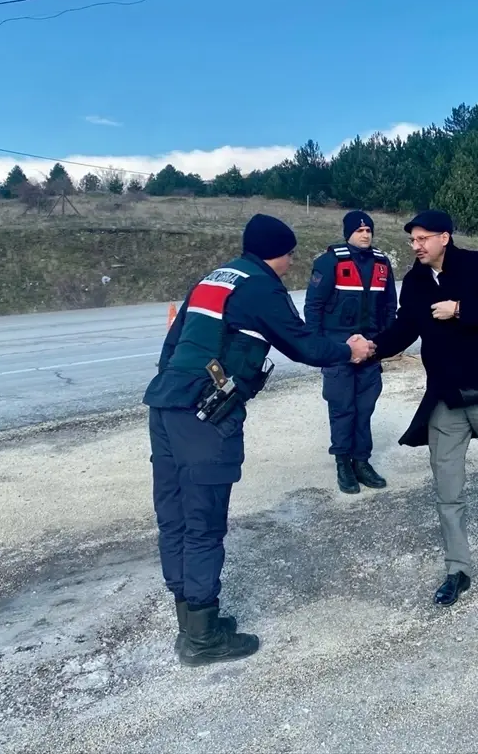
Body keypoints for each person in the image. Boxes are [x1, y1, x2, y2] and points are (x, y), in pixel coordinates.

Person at [144, 213, 375, 667]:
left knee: (174, 519)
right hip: (204, 415)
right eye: (289, 254)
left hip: (166, 404)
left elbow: (171, 345)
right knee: (203, 524)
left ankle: (190, 623)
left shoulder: (213, 278)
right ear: (279, 252)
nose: (291, 262)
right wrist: (349, 350)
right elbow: (302, 343)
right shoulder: (261, 285)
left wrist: (177, 388)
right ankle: (205, 640)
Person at [370, 209, 478, 607]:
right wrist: (370, 348)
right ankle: (457, 569)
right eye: (412, 240)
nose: (416, 246)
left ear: (444, 237)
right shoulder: (413, 281)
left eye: (422, 238)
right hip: (446, 400)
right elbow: (403, 328)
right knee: (447, 491)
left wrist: (459, 309)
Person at [304, 210, 397, 494]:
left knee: (364, 408)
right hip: (337, 351)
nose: (365, 234)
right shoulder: (328, 262)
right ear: (348, 233)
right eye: (359, 231)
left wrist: (380, 345)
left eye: (369, 230)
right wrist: (320, 348)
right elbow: (313, 308)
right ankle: (343, 463)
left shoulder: (382, 264)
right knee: (342, 408)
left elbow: (390, 307)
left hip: (370, 351)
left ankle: (362, 461)